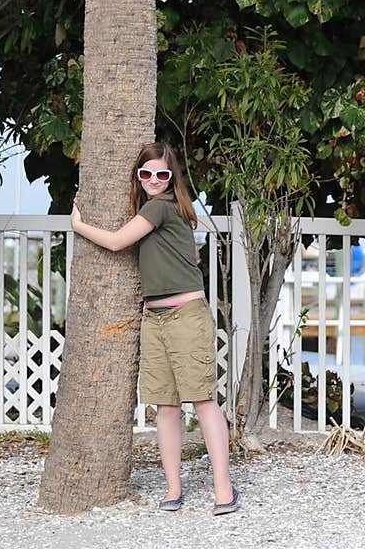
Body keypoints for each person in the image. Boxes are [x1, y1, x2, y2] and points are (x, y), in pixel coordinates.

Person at [70, 141, 239, 514]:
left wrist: (79, 225)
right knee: (165, 407)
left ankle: (224, 489)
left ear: (171, 178)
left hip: (186, 316)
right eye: (146, 173)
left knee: (203, 402)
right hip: (155, 318)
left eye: (161, 174)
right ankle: (173, 489)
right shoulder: (151, 209)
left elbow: (115, 243)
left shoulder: (162, 208)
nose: (153, 180)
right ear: (138, 175)